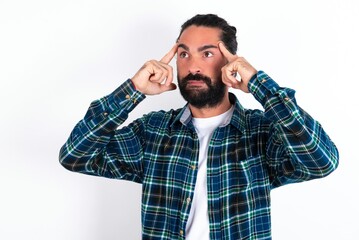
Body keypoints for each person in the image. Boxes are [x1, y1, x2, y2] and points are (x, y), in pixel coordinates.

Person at [59, 14, 339, 240]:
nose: (192, 66)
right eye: (183, 54)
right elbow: (75, 155)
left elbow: (321, 161)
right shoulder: (154, 131)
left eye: (206, 54)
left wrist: (259, 85)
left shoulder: (261, 132)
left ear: (231, 62)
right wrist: (133, 90)